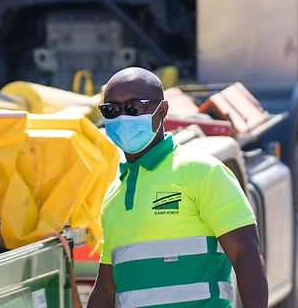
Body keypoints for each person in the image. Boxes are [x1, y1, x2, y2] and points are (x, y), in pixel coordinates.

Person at [88, 67, 269, 308]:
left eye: (134, 108)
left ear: (162, 110)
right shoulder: (114, 195)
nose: (122, 118)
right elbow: (106, 290)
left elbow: (246, 256)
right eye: (111, 110)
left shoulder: (202, 172)